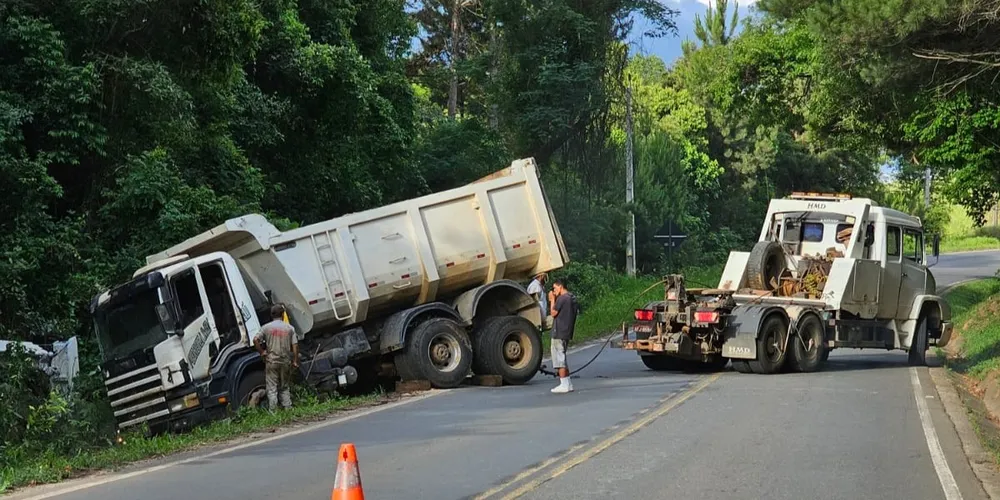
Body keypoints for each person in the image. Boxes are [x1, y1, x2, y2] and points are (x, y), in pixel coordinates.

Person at [253, 304, 299, 409]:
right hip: (285, 361)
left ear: (271, 315)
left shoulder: (266, 328)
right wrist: (295, 361)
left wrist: (262, 352)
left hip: (271, 361)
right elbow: (295, 346)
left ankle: (274, 412)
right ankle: (288, 408)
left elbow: (255, 339)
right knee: (284, 387)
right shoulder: (290, 328)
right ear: (283, 314)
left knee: (272, 388)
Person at [548, 279, 579, 394]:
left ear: (560, 287)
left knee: (559, 358)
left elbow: (553, 313)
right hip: (567, 331)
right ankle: (568, 383)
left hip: (559, 331)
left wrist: (552, 300)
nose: (554, 291)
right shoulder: (572, 297)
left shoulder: (562, 298)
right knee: (563, 357)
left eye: (555, 288)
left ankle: (564, 384)